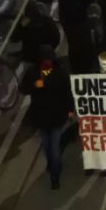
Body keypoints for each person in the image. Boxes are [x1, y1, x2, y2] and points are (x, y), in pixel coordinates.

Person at [20, 45, 73, 189]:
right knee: (47, 146)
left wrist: (70, 109)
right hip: (42, 117)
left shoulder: (59, 73)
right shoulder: (34, 73)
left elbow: (67, 92)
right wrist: (34, 85)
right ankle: (52, 164)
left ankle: (55, 174)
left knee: (53, 147)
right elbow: (23, 89)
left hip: (54, 117)